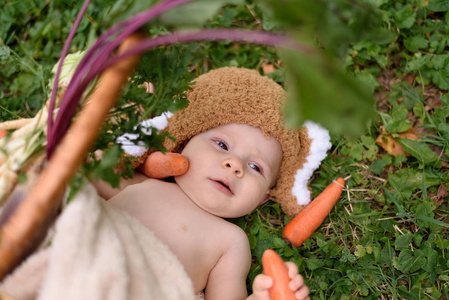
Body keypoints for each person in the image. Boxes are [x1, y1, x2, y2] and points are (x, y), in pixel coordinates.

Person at [94, 67, 332, 300]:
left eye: (256, 168)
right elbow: (90, 173)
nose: (235, 165)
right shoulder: (141, 185)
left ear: (264, 198)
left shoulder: (230, 242)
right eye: (221, 145)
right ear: (184, 144)